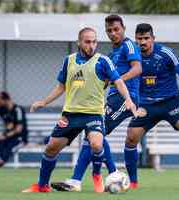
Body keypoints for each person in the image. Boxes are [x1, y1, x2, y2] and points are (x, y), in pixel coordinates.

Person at [22, 27, 137, 193]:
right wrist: (44, 102)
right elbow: (61, 87)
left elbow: (118, 81)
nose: (92, 45)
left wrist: (128, 100)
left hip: (94, 114)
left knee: (97, 144)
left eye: (94, 42)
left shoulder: (103, 61)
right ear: (79, 42)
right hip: (70, 114)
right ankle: (42, 186)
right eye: (87, 42)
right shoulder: (69, 61)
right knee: (51, 148)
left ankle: (100, 173)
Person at [50, 14, 142, 192]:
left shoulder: (128, 45)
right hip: (113, 98)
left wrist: (116, 80)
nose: (113, 33)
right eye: (109, 30)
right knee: (95, 134)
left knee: (97, 130)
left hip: (125, 97)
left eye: (116, 29)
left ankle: (84, 178)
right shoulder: (112, 52)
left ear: (123, 28)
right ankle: (108, 173)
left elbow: (137, 68)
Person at [123, 23, 179, 189]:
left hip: (170, 101)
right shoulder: (132, 57)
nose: (143, 42)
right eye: (139, 39)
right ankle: (133, 182)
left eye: (146, 38)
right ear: (136, 40)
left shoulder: (166, 53)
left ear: (153, 39)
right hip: (146, 105)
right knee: (131, 137)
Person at [0, 92, 28, 167]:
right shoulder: (3, 110)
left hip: (20, 138)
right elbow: (9, 126)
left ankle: (1, 162)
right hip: (9, 137)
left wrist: (4, 135)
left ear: (5, 100)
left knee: (9, 148)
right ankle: (0, 160)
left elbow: (19, 129)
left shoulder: (18, 110)